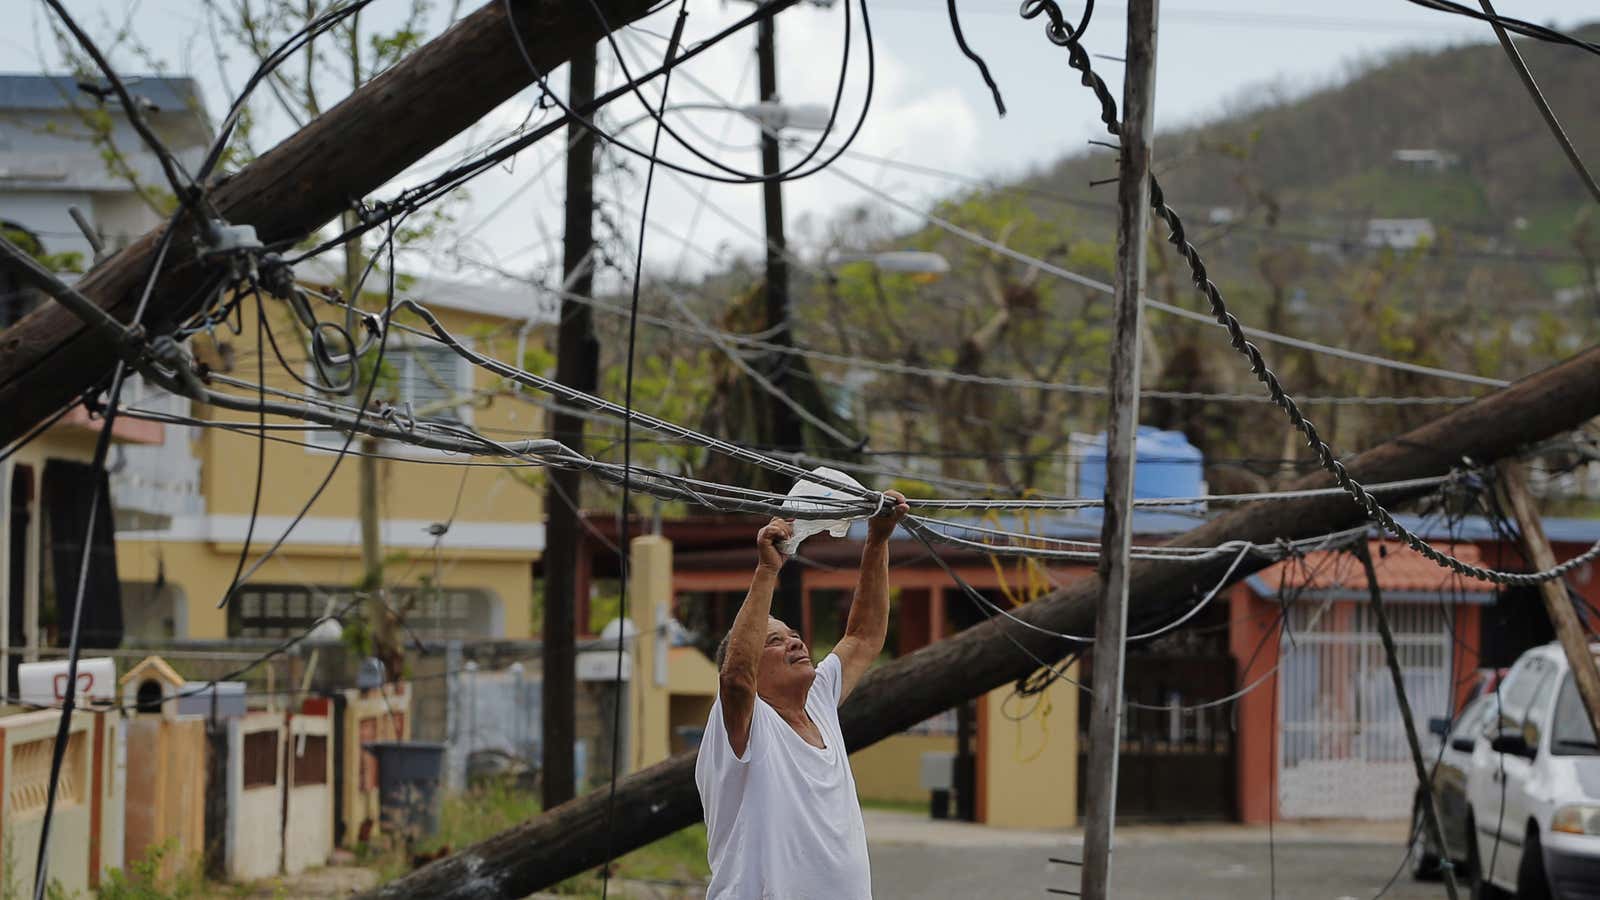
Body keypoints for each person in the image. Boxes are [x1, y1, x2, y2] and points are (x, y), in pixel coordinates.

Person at [695, 491, 910, 900]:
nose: (795, 642)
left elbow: (863, 637)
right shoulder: (745, 723)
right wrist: (766, 570)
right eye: (775, 641)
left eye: (793, 634)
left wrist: (878, 539)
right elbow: (735, 679)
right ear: (754, 669)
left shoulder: (819, 701)